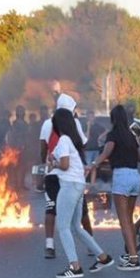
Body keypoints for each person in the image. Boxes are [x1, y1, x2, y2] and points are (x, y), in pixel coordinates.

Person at [50, 108, 114, 278]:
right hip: (78, 185)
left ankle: (75, 266)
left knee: (63, 227)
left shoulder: (63, 139)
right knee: (76, 227)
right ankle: (102, 257)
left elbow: (64, 165)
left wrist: (53, 164)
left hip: (69, 185)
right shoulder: (72, 140)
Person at [91, 105, 140, 270]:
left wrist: (93, 164)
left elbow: (106, 152)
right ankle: (131, 253)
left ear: (113, 119)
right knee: (129, 218)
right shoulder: (131, 135)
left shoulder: (113, 135)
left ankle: (133, 259)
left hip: (122, 176)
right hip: (135, 176)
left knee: (124, 221)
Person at [40, 93, 91, 259]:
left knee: (51, 207)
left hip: (53, 173)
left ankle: (49, 245)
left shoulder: (47, 124)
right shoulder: (74, 123)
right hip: (71, 175)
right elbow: (83, 144)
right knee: (81, 211)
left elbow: (43, 146)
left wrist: (46, 164)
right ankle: (91, 245)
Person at [8, 105, 29, 191]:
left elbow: (27, 135)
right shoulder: (15, 124)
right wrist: (14, 146)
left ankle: (22, 183)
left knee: (24, 166)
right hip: (16, 147)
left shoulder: (25, 124)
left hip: (25, 147)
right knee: (16, 166)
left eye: (22, 111)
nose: (21, 113)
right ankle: (16, 184)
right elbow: (12, 135)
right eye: (19, 111)